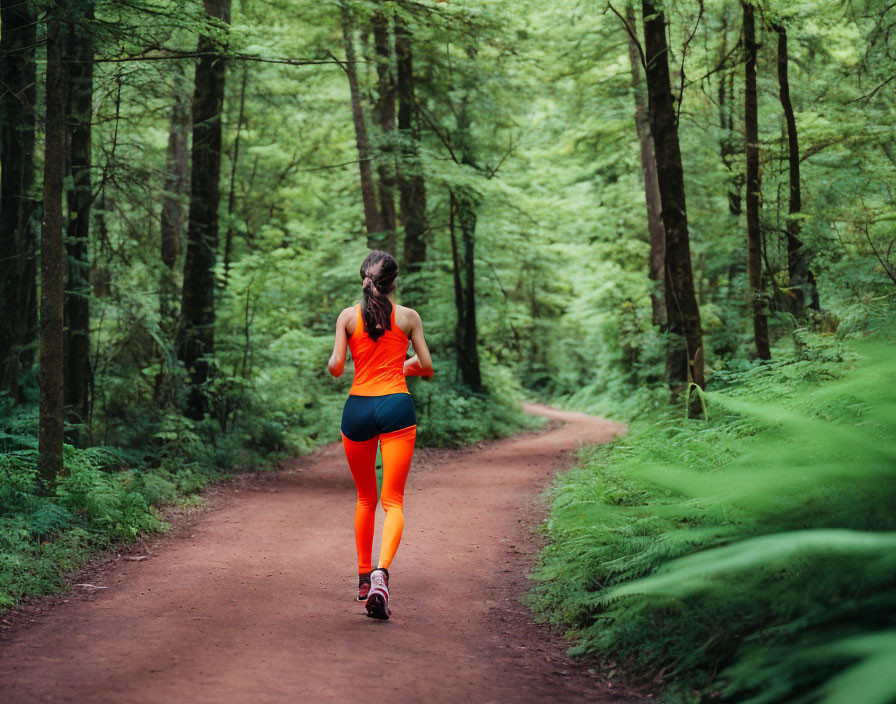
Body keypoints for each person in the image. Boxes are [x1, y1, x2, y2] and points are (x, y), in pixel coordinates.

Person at [327, 250, 434, 620]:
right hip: (396, 409)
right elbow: (427, 366)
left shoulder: (347, 317)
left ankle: (361, 577)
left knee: (364, 499)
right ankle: (380, 575)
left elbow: (338, 368)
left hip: (357, 410)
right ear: (395, 281)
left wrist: (336, 356)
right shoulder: (408, 318)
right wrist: (401, 366)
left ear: (365, 280)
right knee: (394, 502)